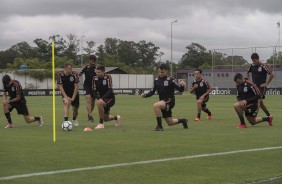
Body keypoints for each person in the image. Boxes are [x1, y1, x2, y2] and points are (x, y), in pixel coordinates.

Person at [141, 64, 188, 131]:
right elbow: (152, 92)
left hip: (170, 101)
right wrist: (145, 95)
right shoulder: (156, 80)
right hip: (162, 102)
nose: (161, 73)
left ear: (166, 71)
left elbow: (180, 90)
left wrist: (182, 85)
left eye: (162, 72)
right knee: (170, 122)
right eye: (159, 72)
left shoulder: (171, 80)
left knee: (156, 106)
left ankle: (159, 126)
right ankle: (183, 120)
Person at [92, 65, 121, 129]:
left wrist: (101, 99)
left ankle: (101, 124)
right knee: (106, 118)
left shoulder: (108, 77)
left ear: (103, 72)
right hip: (102, 99)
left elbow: (110, 89)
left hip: (110, 98)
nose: (97, 73)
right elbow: (93, 91)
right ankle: (116, 117)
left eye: (99, 72)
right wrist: (99, 98)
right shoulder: (94, 78)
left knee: (99, 103)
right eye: (96, 72)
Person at [247, 53, 274, 118]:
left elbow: (272, 74)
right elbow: (248, 72)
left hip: (262, 87)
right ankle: (269, 116)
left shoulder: (263, 66)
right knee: (261, 103)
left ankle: (255, 112)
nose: (254, 62)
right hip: (254, 87)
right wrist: (249, 81)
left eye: (254, 60)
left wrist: (266, 83)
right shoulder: (252, 65)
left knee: (258, 99)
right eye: (252, 61)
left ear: (258, 59)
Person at [57, 62, 80, 126]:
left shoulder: (75, 74)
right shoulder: (60, 74)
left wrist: (73, 98)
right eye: (70, 69)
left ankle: (74, 119)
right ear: (65, 68)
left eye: (71, 68)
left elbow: (76, 87)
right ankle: (66, 122)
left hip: (74, 93)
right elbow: (60, 87)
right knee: (67, 103)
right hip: (65, 93)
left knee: (76, 109)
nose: (71, 70)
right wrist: (66, 97)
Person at [79, 55, 97, 122]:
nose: (92, 62)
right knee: (88, 99)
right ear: (89, 60)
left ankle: (89, 114)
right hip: (87, 86)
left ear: (95, 61)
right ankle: (90, 116)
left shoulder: (97, 68)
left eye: (93, 61)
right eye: (91, 61)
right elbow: (79, 74)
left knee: (92, 102)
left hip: (95, 86)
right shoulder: (86, 67)